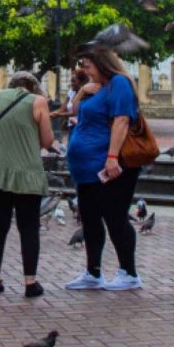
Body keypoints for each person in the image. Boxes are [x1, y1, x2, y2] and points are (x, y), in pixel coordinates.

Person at [64, 48, 143, 292]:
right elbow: (74, 111)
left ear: (102, 64)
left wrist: (111, 158)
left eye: (88, 66)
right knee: (89, 219)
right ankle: (93, 272)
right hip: (86, 168)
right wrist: (82, 91)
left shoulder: (119, 83)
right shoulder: (96, 88)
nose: (85, 71)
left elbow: (121, 120)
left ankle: (129, 273)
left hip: (107, 166)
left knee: (115, 217)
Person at [0, 71, 55, 298]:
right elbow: (48, 141)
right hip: (27, 171)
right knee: (28, 227)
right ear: (33, 86)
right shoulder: (38, 101)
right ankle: (30, 283)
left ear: (12, 85)